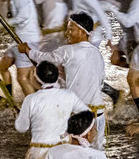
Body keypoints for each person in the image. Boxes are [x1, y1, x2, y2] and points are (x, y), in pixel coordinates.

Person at [22, 12, 108, 148]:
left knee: (72, 153)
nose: (67, 33)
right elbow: (99, 82)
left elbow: (45, 58)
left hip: (80, 117)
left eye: (70, 29)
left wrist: (27, 50)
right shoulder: (97, 53)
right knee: (96, 154)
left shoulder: (68, 50)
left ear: (81, 31)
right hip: (98, 115)